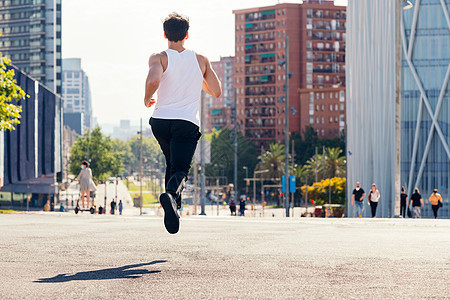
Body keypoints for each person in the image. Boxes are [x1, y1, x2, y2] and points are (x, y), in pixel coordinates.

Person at [144, 13, 221, 234]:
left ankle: (174, 206)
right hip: (186, 123)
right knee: (181, 169)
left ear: (165, 34)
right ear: (187, 35)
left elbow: (153, 80)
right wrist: (199, 78)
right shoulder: (200, 60)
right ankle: (171, 196)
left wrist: (146, 98)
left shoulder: (158, 57)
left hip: (160, 122)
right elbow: (216, 91)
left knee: (172, 163)